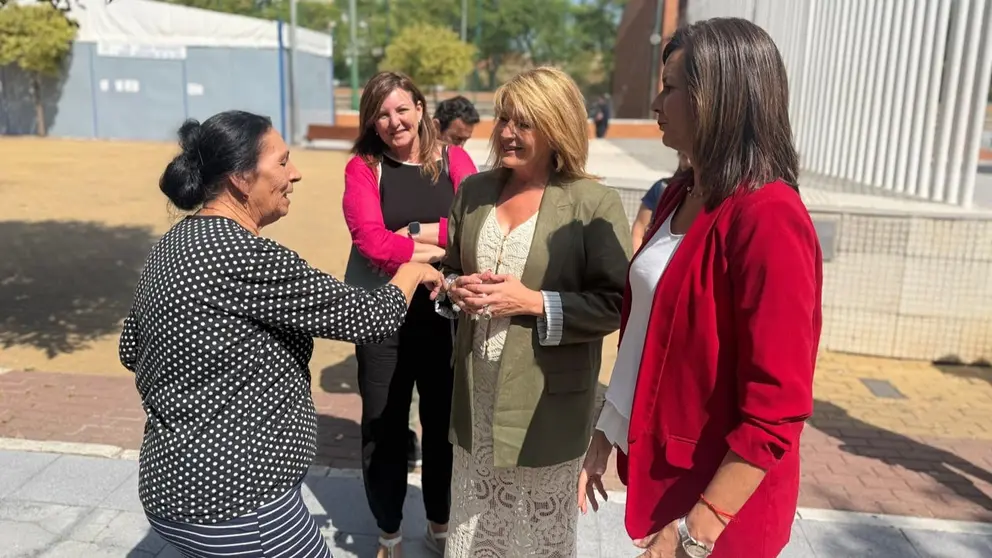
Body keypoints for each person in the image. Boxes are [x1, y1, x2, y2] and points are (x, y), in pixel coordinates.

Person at [119, 110, 444, 558]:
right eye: (283, 162)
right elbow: (369, 318)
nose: (296, 173)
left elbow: (130, 348)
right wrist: (411, 269)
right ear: (239, 177)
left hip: (170, 487)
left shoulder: (173, 244)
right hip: (238, 503)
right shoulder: (246, 257)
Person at [578, 18, 823, 558]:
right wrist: (606, 430)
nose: (656, 103)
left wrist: (697, 530)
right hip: (671, 477)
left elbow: (777, 406)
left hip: (724, 506)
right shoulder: (680, 193)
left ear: (717, 98)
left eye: (669, 87)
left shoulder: (768, 216)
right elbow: (643, 329)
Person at [437, 66, 632, 557]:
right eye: (504, 117)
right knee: (475, 528)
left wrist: (536, 301)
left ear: (556, 126)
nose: (506, 132)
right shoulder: (474, 192)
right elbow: (450, 272)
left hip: (544, 398)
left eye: (524, 122)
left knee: (532, 534)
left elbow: (615, 304)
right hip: (476, 394)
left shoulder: (593, 202)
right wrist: (454, 289)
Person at [342, 71, 478, 558]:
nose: (393, 121)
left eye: (402, 109)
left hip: (445, 316)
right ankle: (389, 532)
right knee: (383, 427)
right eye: (381, 114)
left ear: (421, 108)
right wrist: (426, 250)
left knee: (444, 427)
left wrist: (413, 231)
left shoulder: (456, 159)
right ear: (371, 122)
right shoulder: (364, 167)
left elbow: (473, 228)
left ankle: (440, 524)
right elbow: (370, 241)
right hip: (383, 319)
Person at [631, 151, 691, 252]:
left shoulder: (708, 196)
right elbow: (640, 227)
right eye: (685, 156)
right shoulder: (661, 188)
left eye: (692, 157)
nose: (688, 162)